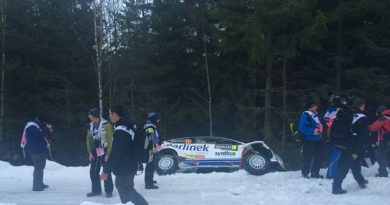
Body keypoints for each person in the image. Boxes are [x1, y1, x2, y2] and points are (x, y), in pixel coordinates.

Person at [100, 105, 148, 205]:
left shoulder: (121, 130)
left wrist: (106, 171)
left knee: (125, 191)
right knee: (129, 189)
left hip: (125, 168)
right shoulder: (129, 126)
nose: (109, 116)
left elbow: (115, 153)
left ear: (114, 114)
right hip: (130, 165)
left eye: (110, 113)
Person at [332, 98, 369, 194]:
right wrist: (357, 151)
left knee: (355, 164)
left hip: (344, 143)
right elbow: (362, 137)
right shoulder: (362, 118)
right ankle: (336, 187)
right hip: (352, 146)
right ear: (362, 106)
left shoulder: (348, 113)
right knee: (344, 166)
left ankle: (360, 180)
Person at [86, 108, 114, 198]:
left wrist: (108, 154)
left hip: (105, 150)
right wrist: (90, 152)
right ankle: (96, 190)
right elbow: (88, 139)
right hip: (95, 150)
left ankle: (109, 190)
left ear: (94, 115)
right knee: (93, 171)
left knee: (106, 170)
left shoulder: (106, 125)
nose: (88, 116)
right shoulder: (91, 125)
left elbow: (110, 140)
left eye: (89, 114)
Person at [22, 116, 53, 191]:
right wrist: (46, 128)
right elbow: (39, 134)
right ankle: (36, 186)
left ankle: (39, 183)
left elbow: (41, 134)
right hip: (36, 151)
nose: (43, 123)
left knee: (40, 167)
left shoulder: (35, 126)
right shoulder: (31, 126)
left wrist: (48, 129)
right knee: (38, 168)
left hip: (39, 150)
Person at [298, 101, 324, 179]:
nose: (315, 107)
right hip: (309, 139)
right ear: (309, 108)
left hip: (319, 139)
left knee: (319, 157)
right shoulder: (306, 114)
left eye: (315, 106)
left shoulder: (317, 114)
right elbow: (302, 127)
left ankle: (315, 172)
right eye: (313, 106)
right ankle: (305, 172)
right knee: (308, 157)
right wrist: (312, 132)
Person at [325, 95, 348, 179]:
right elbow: (328, 123)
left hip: (337, 136)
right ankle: (331, 174)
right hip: (333, 137)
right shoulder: (332, 111)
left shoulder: (338, 110)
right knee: (335, 156)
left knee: (338, 156)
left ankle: (335, 172)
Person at [369, 105, 390, 177]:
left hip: (384, 140)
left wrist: (367, 126)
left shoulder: (383, 118)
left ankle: (383, 173)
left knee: (381, 156)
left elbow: (373, 128)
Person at [144, 112, 160, 189]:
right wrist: (158, 144)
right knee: (150, 165)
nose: (158, 121)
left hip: (151, 148)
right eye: (157, 119)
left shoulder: (150, 125)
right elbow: (153, 138)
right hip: (150, 148)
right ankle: (148, 183)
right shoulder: (150, 126)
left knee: (150, 165)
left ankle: (150, 179)